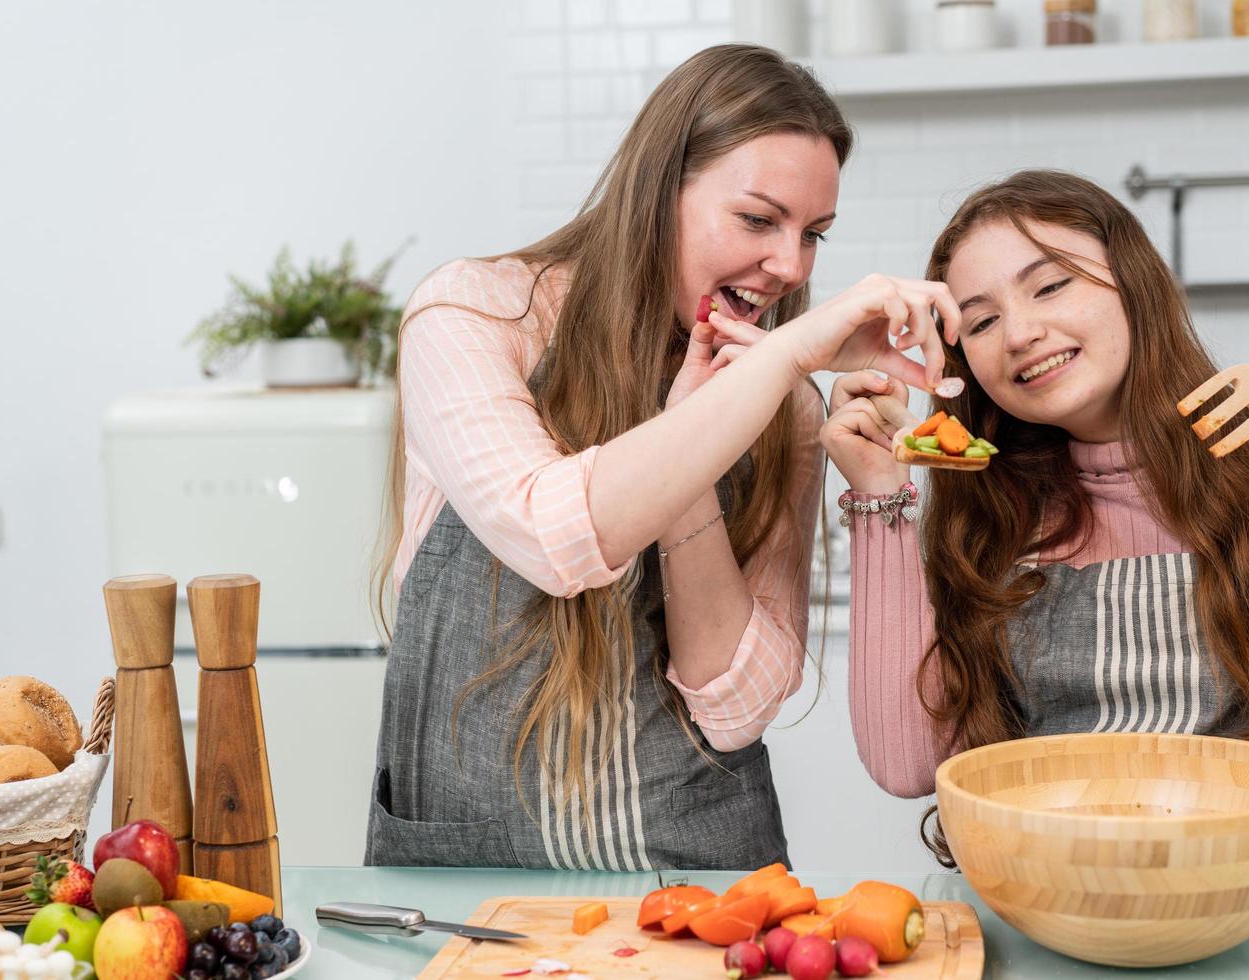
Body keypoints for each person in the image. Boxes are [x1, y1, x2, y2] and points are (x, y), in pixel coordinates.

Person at [366, 43, 959, 871]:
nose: (789, 267)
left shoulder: (782, 407)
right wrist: (785, 358)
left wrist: (700, 456)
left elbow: (737, 707)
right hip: (471, 874)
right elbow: (551, 535)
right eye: (758, 220)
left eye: (813, 234)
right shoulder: (472, 316)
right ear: (657, 192)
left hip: (696, 876)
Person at [821, 169, 1249, 875]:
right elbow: (906, 764)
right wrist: (879, 497)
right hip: (1048, 924)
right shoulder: (988, 526)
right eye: (980, 321)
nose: (1021, 333)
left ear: (1135, 283)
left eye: (1050, 285)